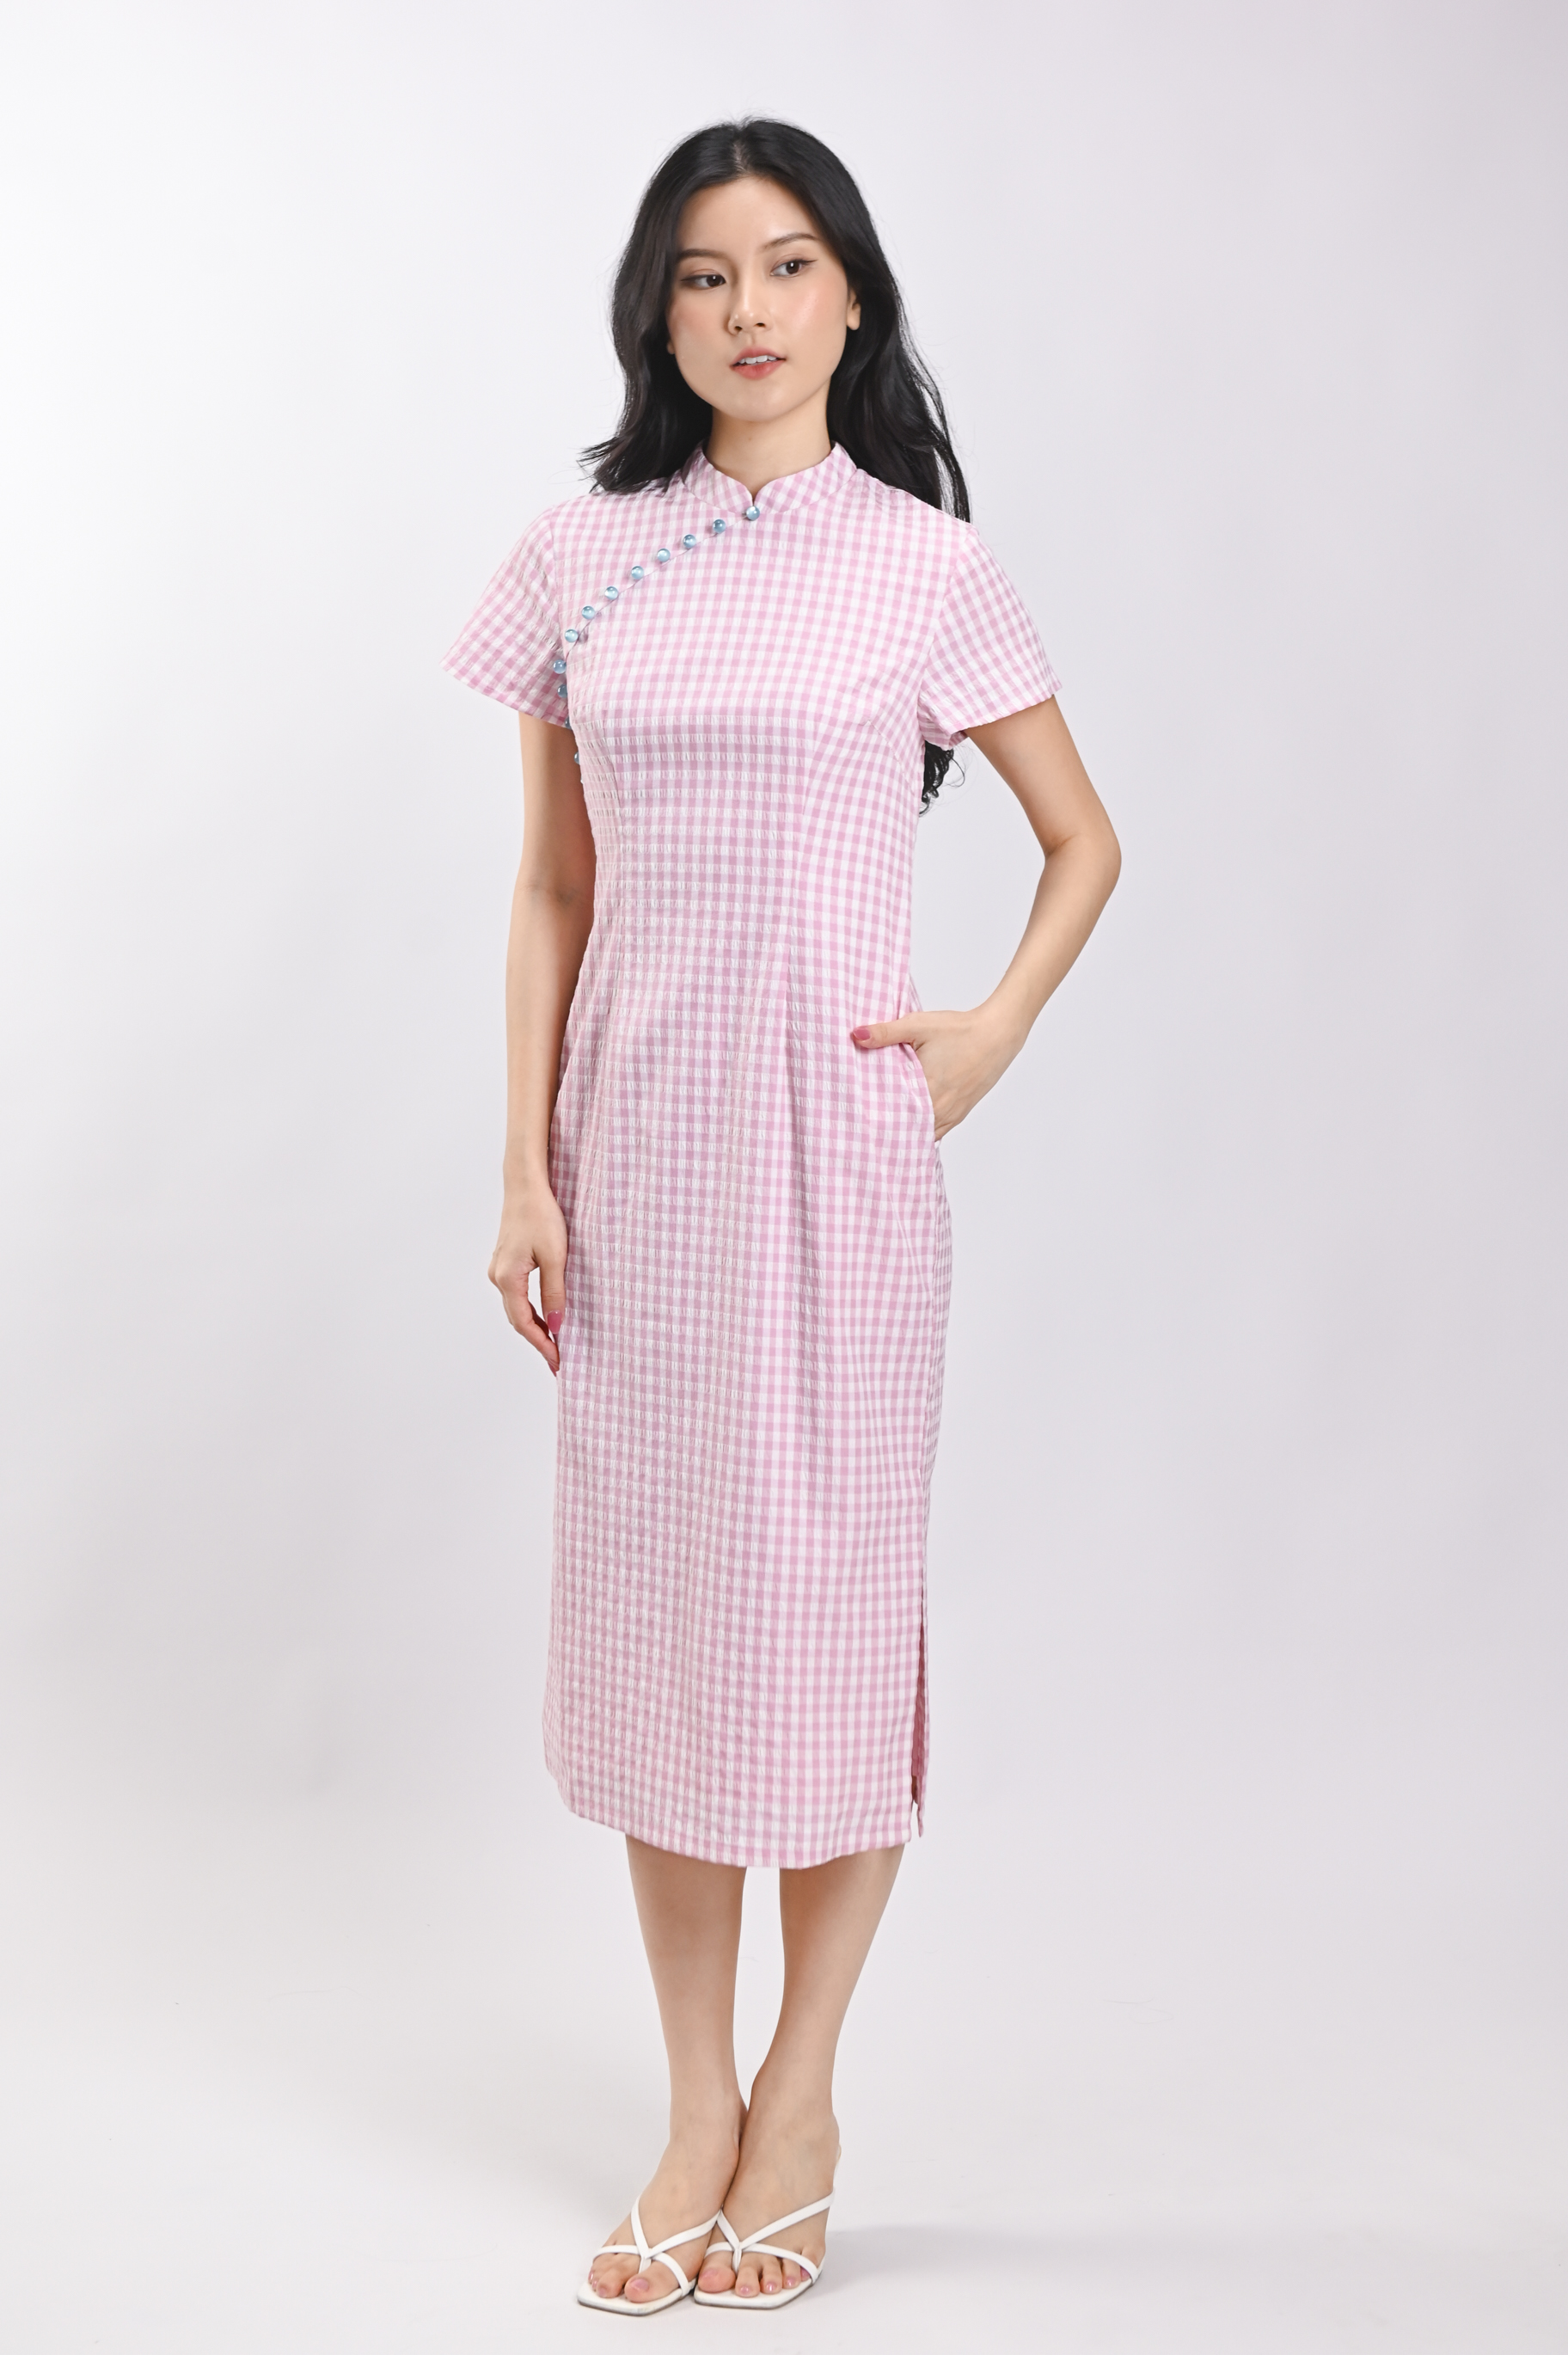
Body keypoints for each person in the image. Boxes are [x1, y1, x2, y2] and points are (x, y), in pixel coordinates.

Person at [443, 118, 1120, 2314]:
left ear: (854, 300)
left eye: (793, 264)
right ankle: (691, 2103)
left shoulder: (926, 565)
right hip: (635, 1158)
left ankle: (802, 2095)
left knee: (823, 1620)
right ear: (659, 308)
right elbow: (553, 884)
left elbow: (1084, 841)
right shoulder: (579, 553)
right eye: (708, 271)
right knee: (667, 1625)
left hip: (840, 1159)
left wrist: (988, 1028)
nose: (751, 308)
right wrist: (525, 1161)